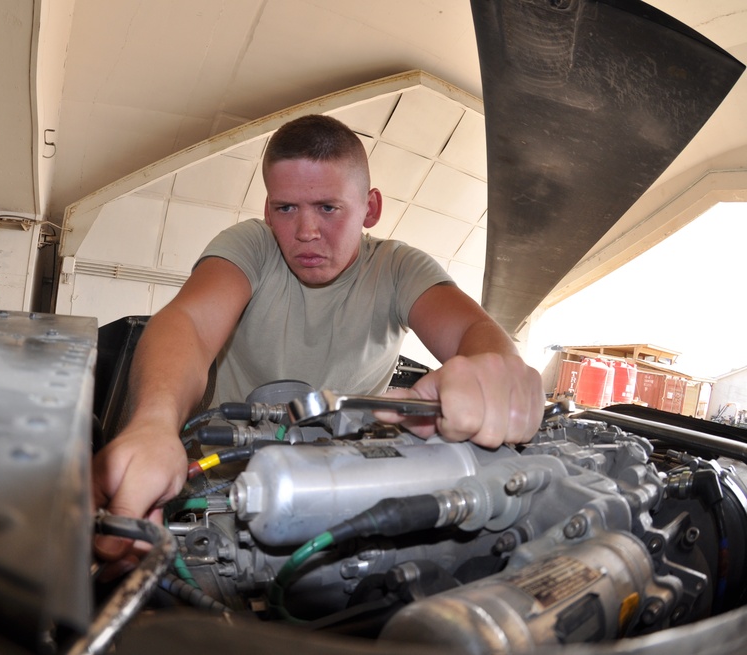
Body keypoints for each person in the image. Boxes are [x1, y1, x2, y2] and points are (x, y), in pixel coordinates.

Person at [93, 114, 544, 565]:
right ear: (269, 211)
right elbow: (187, 323)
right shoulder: (251, 245)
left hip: (344, 483)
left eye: (328, 208)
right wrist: (154, 422)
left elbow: (474, 330)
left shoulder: (398, 268)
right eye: (287, 208)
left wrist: (494, 370)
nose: (306, 231)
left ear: (370, 209)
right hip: (218, 476)